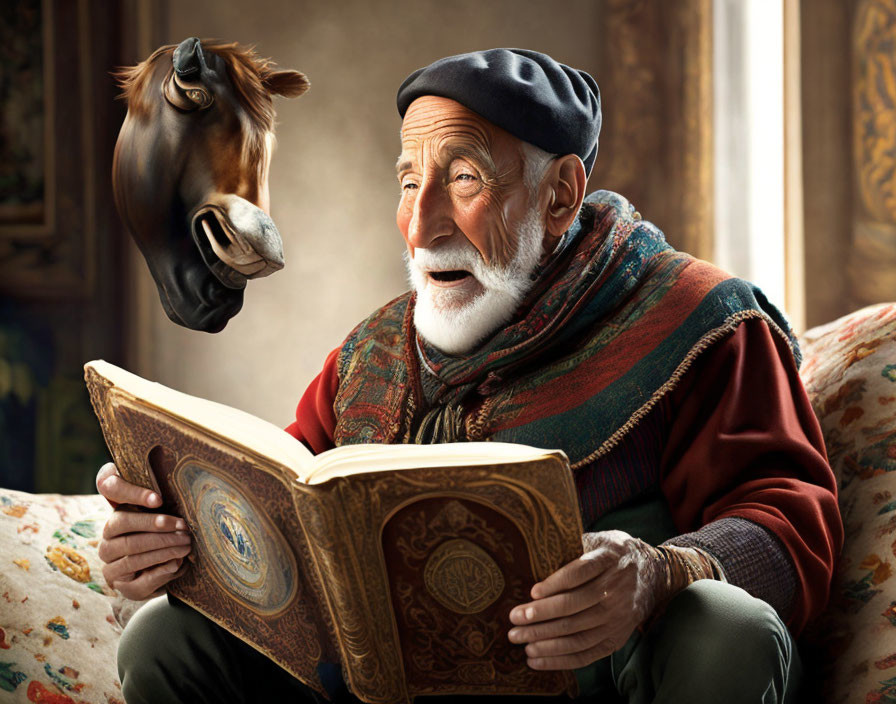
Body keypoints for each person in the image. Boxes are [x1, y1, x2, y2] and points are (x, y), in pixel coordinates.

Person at [96, 49, 842, 703]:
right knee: (166, 638)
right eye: (408, 181)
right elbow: (290, 509)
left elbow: (793, 520)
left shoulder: (698, 322)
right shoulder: (368, 356)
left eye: (462, 178)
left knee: (726, 630)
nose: (422, 226)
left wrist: (662, 574)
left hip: (603, 684)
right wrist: (174, 541)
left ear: (560, 196)